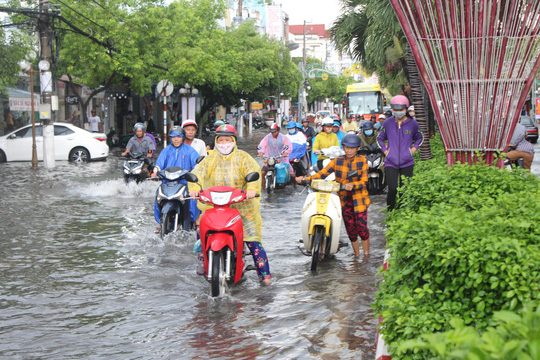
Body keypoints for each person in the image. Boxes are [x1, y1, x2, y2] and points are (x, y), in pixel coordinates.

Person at [188, 125, 271, 285]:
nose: (224, 143)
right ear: (216, 141)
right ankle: (201, 260)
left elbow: (252, 175)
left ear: (233, 141)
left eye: (227, 140)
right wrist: (194, 189)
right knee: (201, 229)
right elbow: (197, 175)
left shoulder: (244, 158)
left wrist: (252, 190)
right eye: (221, 140)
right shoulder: (209, 159)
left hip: (242, 208)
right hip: (215, 207)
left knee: (253, 242)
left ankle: (265, 275)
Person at [296, 134, 370, 257]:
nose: (349, 150)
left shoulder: (362, 160)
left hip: (359, 200)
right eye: (347, 148)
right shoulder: (337, 161)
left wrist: (353, 185)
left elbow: (364, 181)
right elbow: (322, 174)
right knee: (351, 230)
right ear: (343, 148)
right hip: (344, 200)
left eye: (352, 148)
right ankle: (357, 256)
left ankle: (367, 255)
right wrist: (305, 179)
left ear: (357, 148)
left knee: (362, 228)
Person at [377, 95, 424, 211]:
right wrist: (386, 151)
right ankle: (391, 212)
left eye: (401, 110)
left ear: (406, 109)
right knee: (392, 189)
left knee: (404, 189)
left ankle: (403, 213)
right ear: (392, 109)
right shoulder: (387, 123)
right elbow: (379, 139)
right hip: (390, 162)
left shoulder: (412, 123)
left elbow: (420, 137)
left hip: (407, 162)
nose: (398, 112)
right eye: (396, 110)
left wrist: (413, 149)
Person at [151, 126, 200, 233]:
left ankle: (194, 220)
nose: (176, 139)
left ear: (183, 137)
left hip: (184, 182)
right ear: (170, 138)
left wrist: (196, 171)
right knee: (158, 196)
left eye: (178, 137)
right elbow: (159, 164)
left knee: (193, 198)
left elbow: (196, 164)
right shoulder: (166, 150)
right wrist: (155, 171)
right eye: (173, 137)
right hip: (167, 182)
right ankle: (160, 221)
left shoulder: (189, 150)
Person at [257, 123, 294, 188]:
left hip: (281, 159)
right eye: (272, 132)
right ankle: (262, 188)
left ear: (278, 131)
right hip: (270, 159)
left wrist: (286, 153)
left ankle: (295, 185)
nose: (273, 133)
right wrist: (261, 152)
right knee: (262, 173)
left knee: (291, 174)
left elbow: (288, 146)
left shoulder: (284, 138)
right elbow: (262, 145)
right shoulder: (267, 137)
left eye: (274, 131)